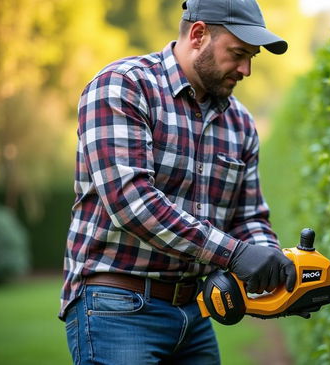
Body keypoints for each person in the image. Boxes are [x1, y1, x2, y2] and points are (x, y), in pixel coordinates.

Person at [60, 0, 297, 363]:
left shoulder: (241, 124)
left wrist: (272, 262)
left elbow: (248, 216)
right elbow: (132, 203)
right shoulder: (123, 86)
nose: (246, 69)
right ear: (199, 34)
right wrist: (236, 254)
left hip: (195, 312)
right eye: (238, 53)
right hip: (117, 306)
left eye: (253, 57)